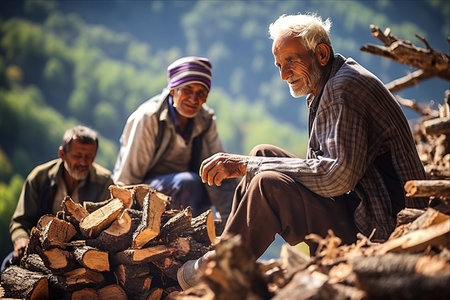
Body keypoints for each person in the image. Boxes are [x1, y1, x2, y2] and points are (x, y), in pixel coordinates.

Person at [176, 13, 428, 289]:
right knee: (263, 154)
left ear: (321, 53)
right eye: (279, 65)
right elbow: (324, 168)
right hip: (361, 208)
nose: (284, 74)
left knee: (267, 184)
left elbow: (336, 176)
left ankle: (217, 270)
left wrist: (246, 166)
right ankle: (226, 247)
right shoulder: (332, 81)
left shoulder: (343, 88)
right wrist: (253, 163)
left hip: (383, 226)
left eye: (291, 61)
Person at [113, 56, 236, 219]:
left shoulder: (205, 120)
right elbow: (127, 182)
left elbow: (220, 168)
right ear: (172, 90)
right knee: (188, 183)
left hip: (189, 194)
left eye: (201, 93)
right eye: (187, 90)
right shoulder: (148, 118)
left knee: (221, 179)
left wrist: (232, 222)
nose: (194, 99)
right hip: (146, 196)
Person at [2, 125, 114, 271]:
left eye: (89, 157)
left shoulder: (104, 182)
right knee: (7, 266)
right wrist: (21, 239)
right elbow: (20, 221)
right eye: (77, 156)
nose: (83, 162)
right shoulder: (39, 178)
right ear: (62, 154)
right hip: (38, 251)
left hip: (84, 254)